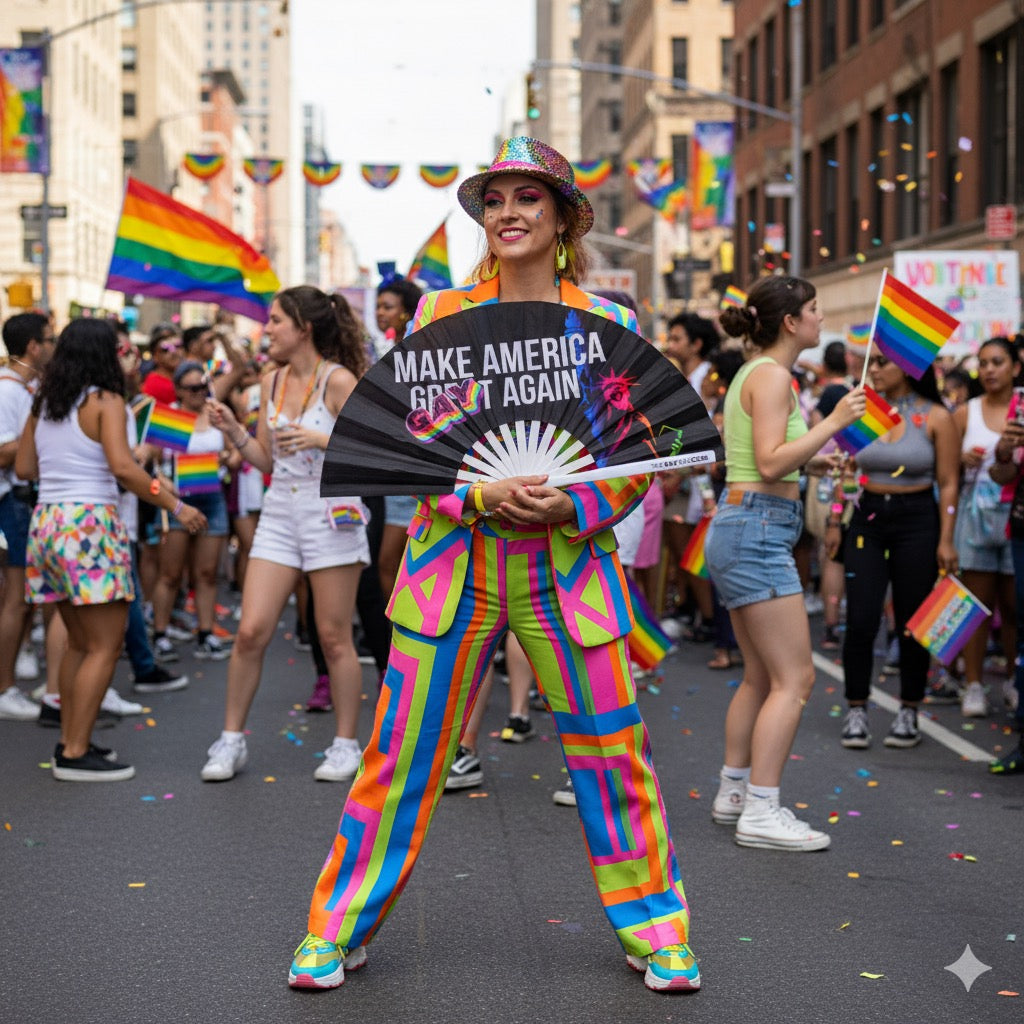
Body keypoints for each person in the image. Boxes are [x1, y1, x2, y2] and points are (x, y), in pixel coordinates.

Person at [288, 138, 697, 996]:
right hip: (453, 576)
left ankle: (657, 932)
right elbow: (409, 446)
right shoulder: (440, 315)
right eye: (496, 201)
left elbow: (635, 458)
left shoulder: (609, 324)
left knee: (613, 754)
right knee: (398, 759)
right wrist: (474, 497)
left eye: (528, 199)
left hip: (570, 575)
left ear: (562, 219)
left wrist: (577, 505)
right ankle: (335, 930)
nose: (508, 214)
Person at [703, 275, 866, 852]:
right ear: (791, 322)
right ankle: (762, 810)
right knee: (794, 678)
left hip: (745, 523)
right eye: (816, 310)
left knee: (760, 675)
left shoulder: (758, 373)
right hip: (757, 529)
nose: (823, 319)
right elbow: (770, 463)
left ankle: (735, 792)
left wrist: (815, 465)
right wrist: (834, 423)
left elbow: (760, 458)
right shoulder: (772, 376)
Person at [14, 318, 206, 781]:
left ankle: (71, 742)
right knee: (105, 645)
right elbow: (123, 468)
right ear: (104, 354)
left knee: (79, 643)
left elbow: (23, 467)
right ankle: (75, 752)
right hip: (90, 526)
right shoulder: (107, 400)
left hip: (49, 523)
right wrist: (177, 505)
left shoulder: (45, 401)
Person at [201, 285, 371, 783]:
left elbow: (375, 448)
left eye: (275, 320)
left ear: (305, 327)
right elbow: (266, 460)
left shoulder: (338, 380)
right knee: (251, 629)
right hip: (279, 513)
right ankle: (230, 740)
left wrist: (322, 437)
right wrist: (233, 429)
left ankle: (345, 744)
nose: (267, 329)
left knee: (334, 636)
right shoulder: (271, 382)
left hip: (330, 513)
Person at [836, 356, 959, 750]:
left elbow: (950, 482)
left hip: (918, 520)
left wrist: (946, 539)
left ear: (907, 368)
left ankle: (909, 708)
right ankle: (857, 708)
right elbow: (845, 468)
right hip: (867, 518)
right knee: (860, 617)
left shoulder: (936, 416)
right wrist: (834, 519)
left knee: (911, 620)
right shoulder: (861, 410)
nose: (874, 369)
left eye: (884, 364)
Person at [952, 337, 1021, 717]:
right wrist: (961, 459)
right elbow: (944, 471)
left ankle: (1013, 679)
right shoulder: (966, 413)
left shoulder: (1022, 408)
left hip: (1016, 518)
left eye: (998, 361)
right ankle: (974, 684)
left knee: (1014, 608)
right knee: (975, 607)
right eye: (984, 363)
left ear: (1015, 366)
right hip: (975, 516)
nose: (990, 369)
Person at [146, 361, 233, 662]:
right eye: (192, 388)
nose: (199, 393)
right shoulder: (170, 416)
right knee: (170, 574)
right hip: (178, 502)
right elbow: (150, 461)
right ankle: (160, 634)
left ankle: (205, 633)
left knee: (207, 573)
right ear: (180, 390)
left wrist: (225, 459)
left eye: (203, 387)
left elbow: (234, 451)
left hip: (212, 498)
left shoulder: (215, 413)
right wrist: (162, 481)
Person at [0, 312, 56, 721]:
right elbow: (3, 451)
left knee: (23, 600)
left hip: (23, 502)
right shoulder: (7, 392)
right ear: (33, 346)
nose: (53, 347)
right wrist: (40, 439)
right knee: (16, 601)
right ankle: (4, 689)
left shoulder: (24, 388)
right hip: (11, 501)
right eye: (48, 340)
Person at [374, 277, 424, 600]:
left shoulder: (423, 354)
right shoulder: (382, 352)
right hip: (393, 475)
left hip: (420, 477)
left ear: (407, 313)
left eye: (388, 307)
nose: (380, 313)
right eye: (377, 306)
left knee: (408, 566)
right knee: (390, 565)